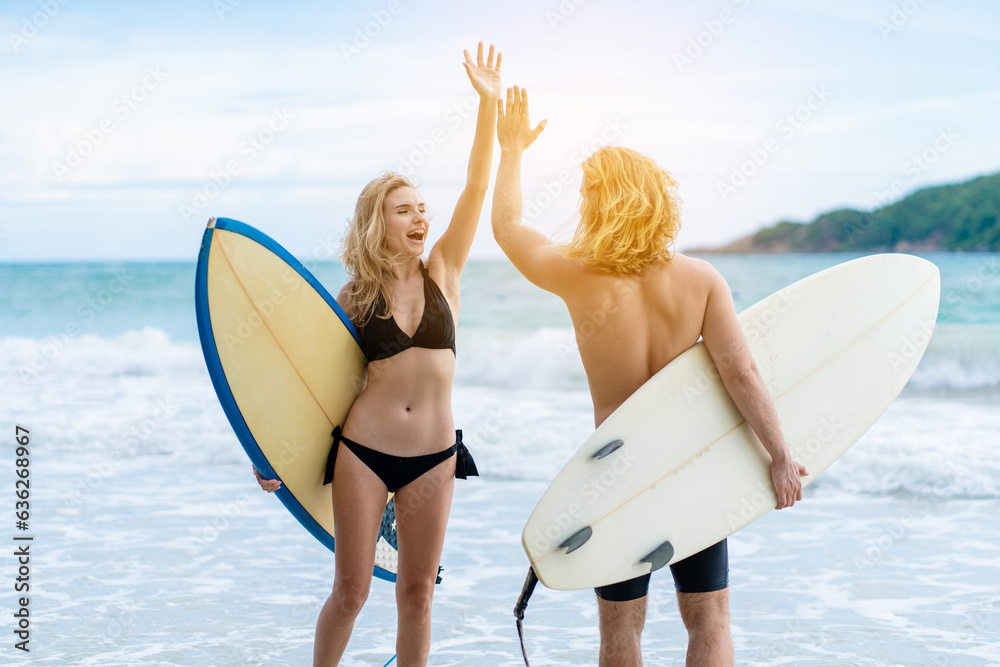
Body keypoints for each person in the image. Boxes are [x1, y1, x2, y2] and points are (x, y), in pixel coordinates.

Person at [491, 87, 809, 667]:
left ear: (600, 202)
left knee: (619, 633)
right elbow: (742, 374)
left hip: (617, 470)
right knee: (709, 619)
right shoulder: (701, 279)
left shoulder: (577, 275)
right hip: (692, 464)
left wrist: (510, 149)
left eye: (587, 193)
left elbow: (509, 228)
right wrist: (781, 454)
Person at [254, 42, 502, 667]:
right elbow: (306, 383)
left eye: (423, 207)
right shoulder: (354, 297)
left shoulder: (445, 269)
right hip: (363, 452)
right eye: (404, 210)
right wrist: (270, 454)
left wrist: (489, 106)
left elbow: (477, 185)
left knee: (417, 597)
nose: (420, 216)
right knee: (351, 592)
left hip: (433, 456)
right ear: (379, 222)